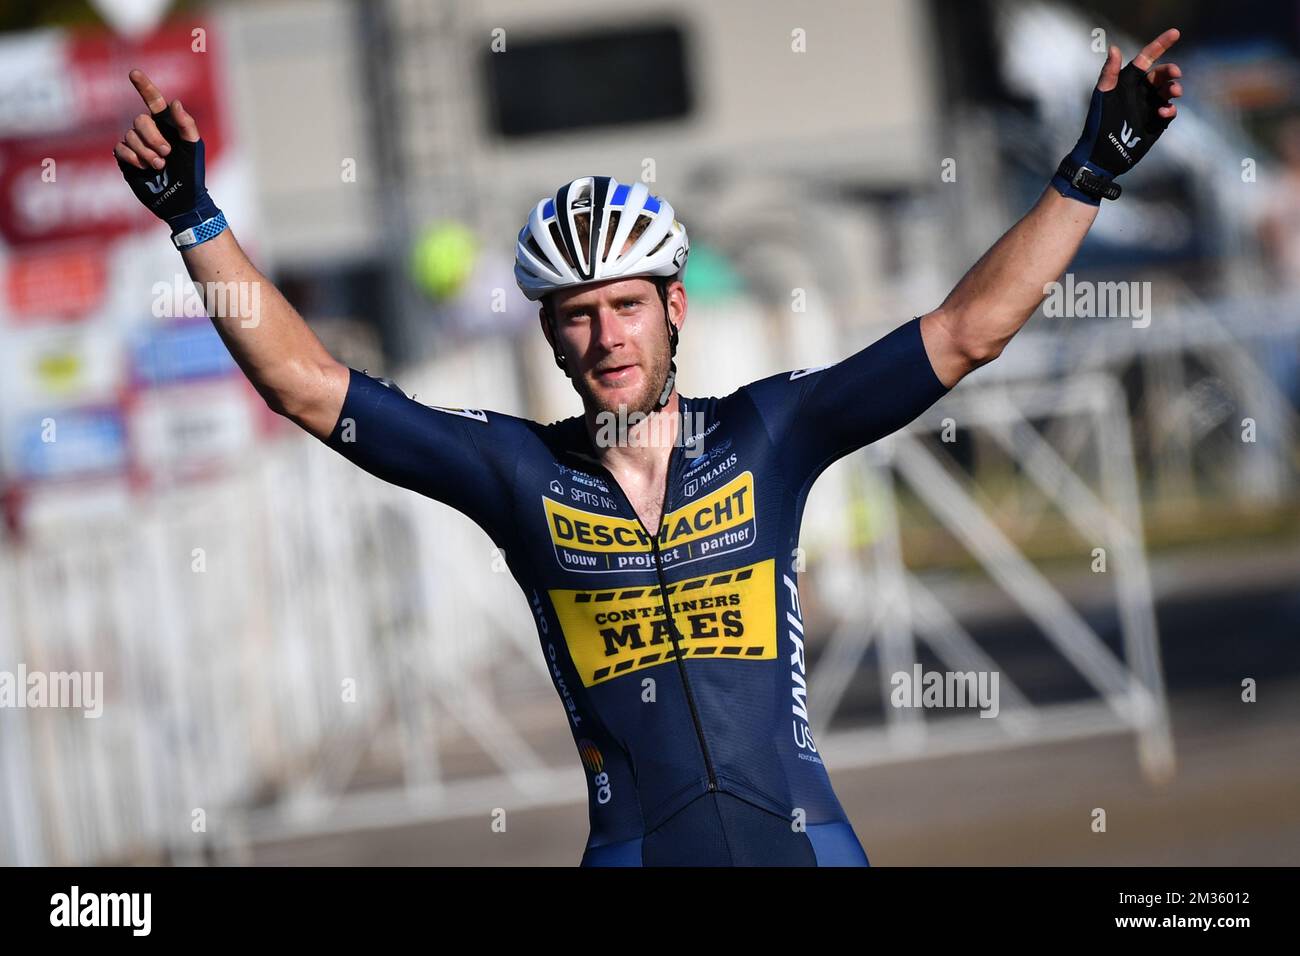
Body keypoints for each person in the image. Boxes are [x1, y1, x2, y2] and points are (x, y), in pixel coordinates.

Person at [114, 29, 1182, 866]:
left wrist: (1091, 170)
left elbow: (966, 332)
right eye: (577, 315)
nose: (606, 337)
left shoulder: (769, 435)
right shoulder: (517, 473)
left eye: (626, 305)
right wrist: (196, 220)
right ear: (548, 334)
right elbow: (305, 386)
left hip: (802, 845)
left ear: (675, 307)